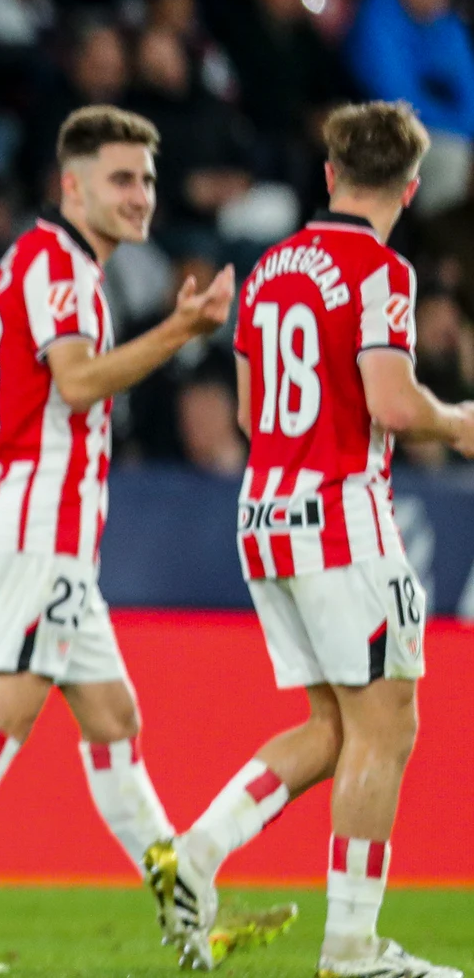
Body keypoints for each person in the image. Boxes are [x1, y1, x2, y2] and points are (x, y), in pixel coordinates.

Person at [0, 105, 291, 970]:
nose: (142, 198)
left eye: (148, 181)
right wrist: (179, 331)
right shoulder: (59, 268)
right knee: (1, 712)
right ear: (74, 185)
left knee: (113, 717)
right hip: (38, 521)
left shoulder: (40, 261)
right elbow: (78, 380)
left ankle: (187, 922)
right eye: (123, 180)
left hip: (39, 520)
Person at [147, 102, 474, 978]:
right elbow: (396, 405)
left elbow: (255, 414)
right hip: (340, 515)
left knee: (334, 727)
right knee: (389, 727)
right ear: (409, 187)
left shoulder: (269, 268)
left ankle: (198, 851)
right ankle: (353, 950)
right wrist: (460, 421)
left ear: (330, 175)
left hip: (263, 516)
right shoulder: (382, 272)